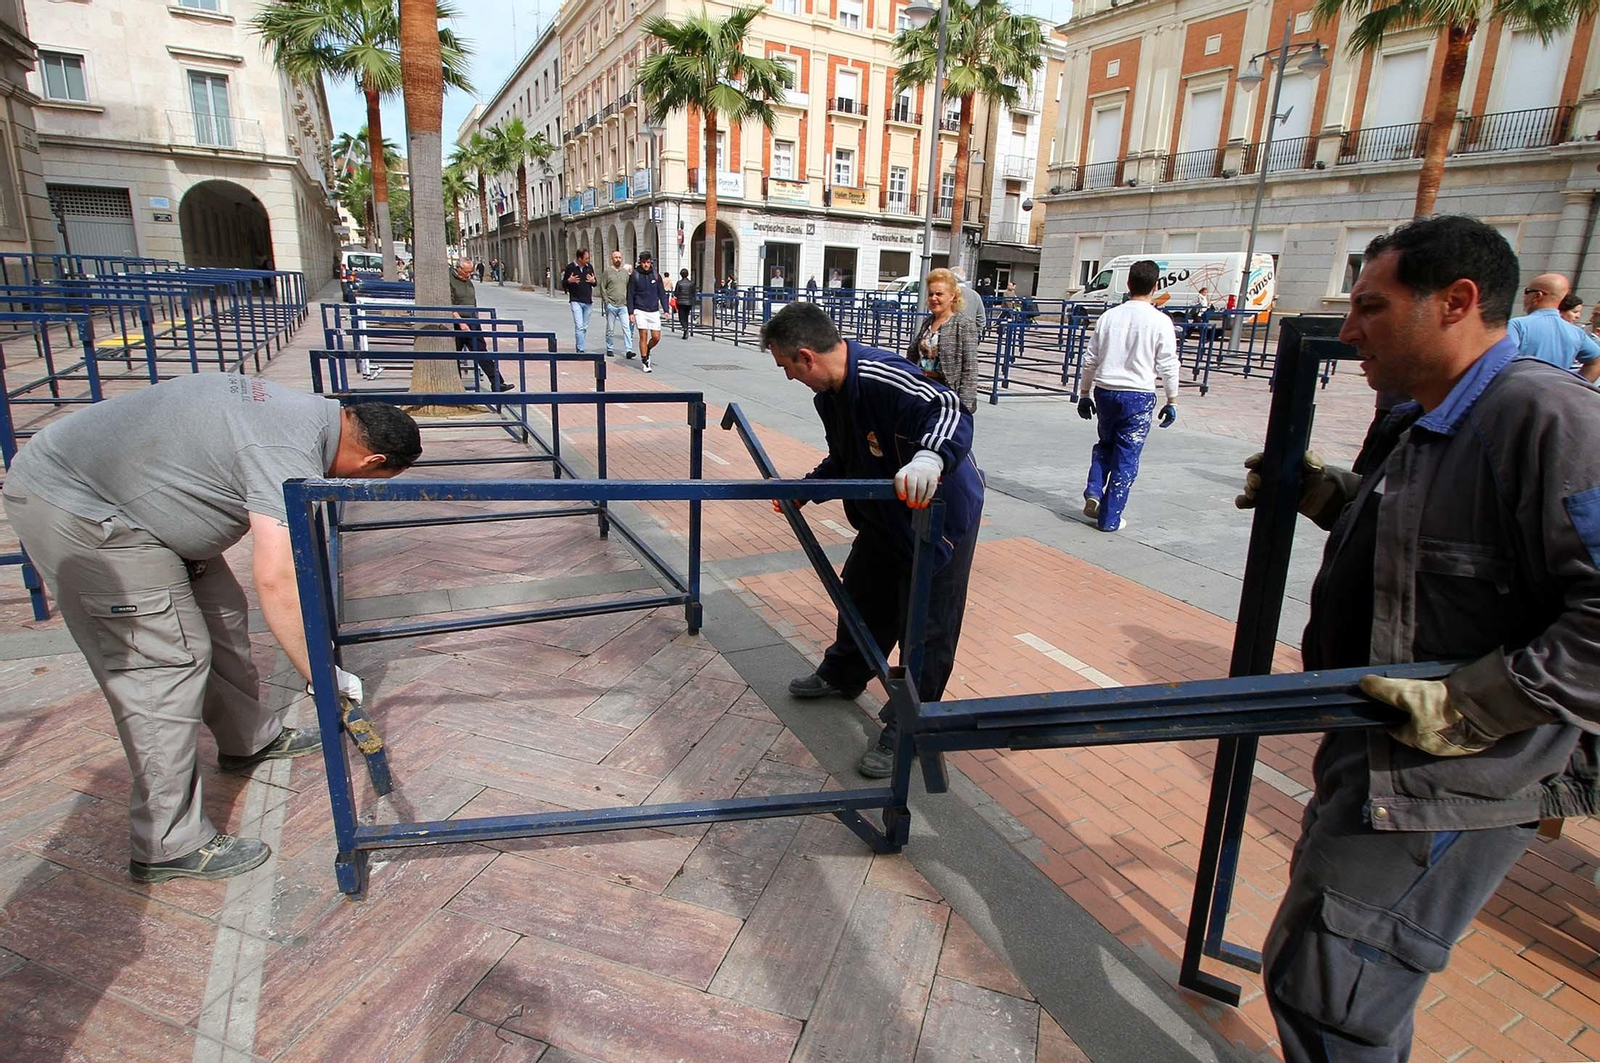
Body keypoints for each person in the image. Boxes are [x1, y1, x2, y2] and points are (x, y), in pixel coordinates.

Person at [1237, 215, 1600, 1063]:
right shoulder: (1436, 413)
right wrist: (1335, 496)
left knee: (1335, 983)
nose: (1350, 328)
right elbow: (1453, 550)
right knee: (1317, 962)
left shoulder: (1547, 418)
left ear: (1456, 302)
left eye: (1371, 306)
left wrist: (1472, 706)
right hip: (1385, 748)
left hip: (1465, 770)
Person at [1, 375, 422, 882]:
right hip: (87, 514)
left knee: (221, 614)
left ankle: (249, 737)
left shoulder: (318, 415)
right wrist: (322, 676)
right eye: (367, 481)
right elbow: (276, 578)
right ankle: (167, 841)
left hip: (141, 507)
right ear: (370, 461)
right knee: (162, 667)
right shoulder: (283, 449)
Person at [764, 303, 984, 778]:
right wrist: (808, 490)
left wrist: (929, 458)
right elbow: (846, 457)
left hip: (937, 520)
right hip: (885, 515)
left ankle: (906, 724)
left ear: (806, 357)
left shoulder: (884, 375)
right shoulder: (830, 398)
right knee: (862, 592)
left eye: (785, 368)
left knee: (926, 627)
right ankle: (844, 673)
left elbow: (949, 407)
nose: (787, 379)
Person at [1077, 259, 1179, 532]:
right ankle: (1110, 518)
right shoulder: (1160, 321)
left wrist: (1084, 393)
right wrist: (1172, 399)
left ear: (1128, 283)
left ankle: (1094, 491)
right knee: (1127, 456)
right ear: (1155, 286)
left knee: (1105, 444)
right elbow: (1168, 364)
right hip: (1138, 395)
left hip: (1106, 391)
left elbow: (1090, 359)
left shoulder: (1109, 317)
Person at [906, 267, 980, 414]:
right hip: (923, 391)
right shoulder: (928, 322)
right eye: (931, 294)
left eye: (939, 294)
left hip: (947, 395)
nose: (933, 298)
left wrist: (963, 408)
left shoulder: (964, 323)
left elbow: (970, 369)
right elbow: (912, 355)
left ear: (952, 296)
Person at [1506, 271, 1600, 381]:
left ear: (1537, 295)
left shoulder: (1517, 325)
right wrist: (1575, 387)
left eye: (1527, 291)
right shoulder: (1577, 333)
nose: (1524, 297)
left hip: (1518, 392)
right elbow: (1596, 361)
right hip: (1555, 394)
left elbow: (1500, 359)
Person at [449, 258, 513, 391]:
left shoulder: (468, 282)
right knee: (454, 355)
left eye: (470, 272)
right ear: (458, 269)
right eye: (466, 272)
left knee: (482, 352)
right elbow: (449, 304)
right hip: (458, 323)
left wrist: (475, 318)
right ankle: (455, 385)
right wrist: (460, 322)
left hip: (472, 322)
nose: (468, 275)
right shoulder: (450, 281)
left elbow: (472, 300)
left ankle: (497, 383)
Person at [627, 250, 670, 372]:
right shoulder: (635, 275)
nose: (646, 265)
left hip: (653, 309)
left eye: (648, 262)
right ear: (640, 262)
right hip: (639, 309)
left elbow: (661, 293)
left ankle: (648, 349)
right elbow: (630, 294)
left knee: (656, 337)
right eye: (644, 262)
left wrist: (666, 309)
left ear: (651, 262)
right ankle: (645, 361)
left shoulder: (656, 275)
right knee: (643, 335)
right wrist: (631, 312)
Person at [599, 249, 636, 360]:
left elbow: (629, 288)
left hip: (623, 305)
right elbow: (602, 287)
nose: (618, 259)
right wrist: (606, 301)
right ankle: (610, 348)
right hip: (611, 304)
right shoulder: (607, 272)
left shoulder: (625, 273)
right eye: (616, 257)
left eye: (619, 257)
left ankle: (629, 350)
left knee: (627, 328)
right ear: (612, 259)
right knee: (610, 328)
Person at [561, 249, 598, 352]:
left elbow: (595, 283)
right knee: (579, 326)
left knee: (584, 327)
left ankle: (579, 345)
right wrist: (569, 280)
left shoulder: (589, 267)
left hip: (588, 300)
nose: (588, 260)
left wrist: (593, 281)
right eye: (586, 258)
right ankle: (581, 349)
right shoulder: (570, 268)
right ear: (579, 258)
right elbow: (563, 284)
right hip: (575, 300)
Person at [674, 268, 697, 339]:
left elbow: (676, 293)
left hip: (681, 302)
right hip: (689, 302)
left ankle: (685, 328)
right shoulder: (691, 283)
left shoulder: (679, 283)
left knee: (681, 317)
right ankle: (685, 330)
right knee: (686, 316)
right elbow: (694, 292)